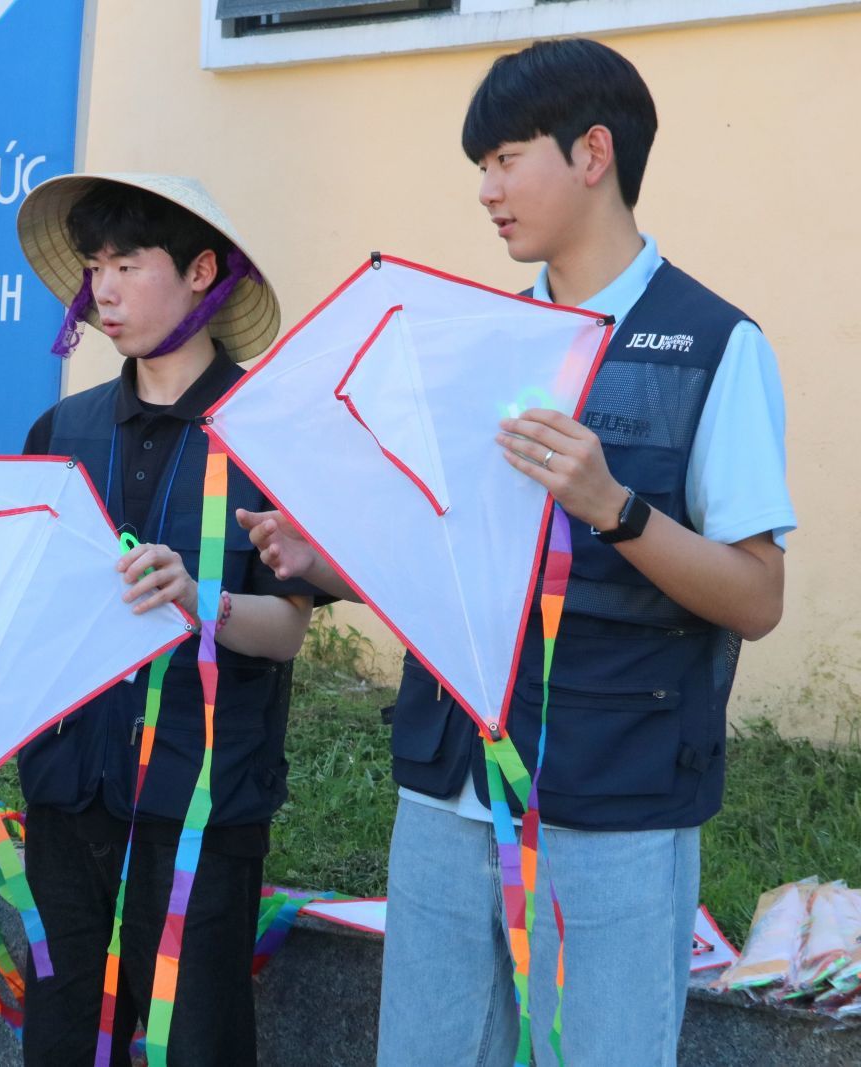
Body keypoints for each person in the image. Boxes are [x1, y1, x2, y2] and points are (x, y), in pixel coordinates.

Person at [243, 38, 794, 1066]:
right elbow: (447, 554)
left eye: (504, 158)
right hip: (447, 783)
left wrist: (612, 505)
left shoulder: (714, 343)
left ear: (593, 152)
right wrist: (328, 559)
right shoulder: (468, 336)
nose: (487, 191)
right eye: (479, 169)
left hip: (615, 790)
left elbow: (756, 596)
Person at [11, 173, 315, 1066]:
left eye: (128, 264)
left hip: (201, 804)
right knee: (62, 1040)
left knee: (197, 1044)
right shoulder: (62, 430)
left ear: (200, 273)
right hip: (69, 791)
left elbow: (289, 629)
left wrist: (200, 600)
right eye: (94, 267)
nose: (102, 289)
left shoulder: (267, 430)